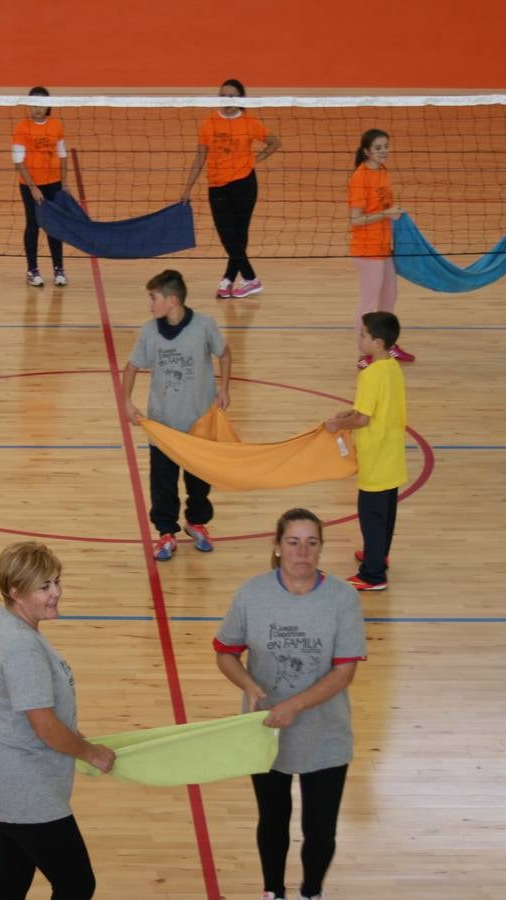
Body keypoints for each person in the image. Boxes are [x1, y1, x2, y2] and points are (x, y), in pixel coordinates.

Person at [213, 508, 367, 900]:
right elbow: (226, 652)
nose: (303, 552)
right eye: (293, 542)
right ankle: (273, 892)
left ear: (320, 548)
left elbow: (343, 673)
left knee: (320, 829)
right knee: (273, 819)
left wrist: (294, 706)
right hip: (264, 733)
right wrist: (248, 684)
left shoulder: (342, 598)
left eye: (311, 543)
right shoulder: (252, 593)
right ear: (277, 547)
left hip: (325, 735)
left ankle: (312, 892)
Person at [0, 541, 116, 900]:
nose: (56, 593)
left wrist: (74, 735)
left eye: (57, 582)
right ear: (15, 591)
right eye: (44, 587)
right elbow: (45, 727)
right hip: (24, 790)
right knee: (76, 884)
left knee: (12, 879)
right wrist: (90, 752)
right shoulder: (21, 649)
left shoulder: (0, 621)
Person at [122, 269, 231, 561]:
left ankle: (196, 523)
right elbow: (131, 367)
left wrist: (224, 389)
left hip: (199, 427)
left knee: (199, 483)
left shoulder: (205, 326)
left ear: (171, 300)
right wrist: (126, 402)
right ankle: (166, 532)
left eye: (153, 298)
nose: (150, 304)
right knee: (163, 484)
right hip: (163, 428)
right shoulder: (149, 331)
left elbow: (225, 353)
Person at [324, 311, 407, 591]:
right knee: (387, 513)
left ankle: (373, 575)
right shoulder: (393, 368)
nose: (359, 339)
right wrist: (351, 411)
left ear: (378, 342)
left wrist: (337, 423)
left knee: (371, 515)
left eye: (363, 336)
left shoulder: (370, 375)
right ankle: (378, 554)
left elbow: (363, 420)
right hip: (392, 455)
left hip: (375, 456)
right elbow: (372, 407)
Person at [179, 79, 281, 299]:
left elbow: (274, 142)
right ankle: (244, 278)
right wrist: (187, 188)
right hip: (216, 186)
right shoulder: (209, 124)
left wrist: (254, 161)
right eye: (223, 95)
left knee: (238, 235)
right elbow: (199, 157)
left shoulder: (250, 123)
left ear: (240, 99)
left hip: (244, 184)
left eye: (231, 96)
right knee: (227, 235)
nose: (226, 100)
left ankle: (233, 281)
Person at [347, 129, 412, 367]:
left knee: (389, 297)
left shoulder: (383, 172)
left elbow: (384, 205)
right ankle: (364, 353)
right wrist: (386, 213)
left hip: (384, 247)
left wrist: (393, 215)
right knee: (368, 302)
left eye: (386, 146)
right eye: (378, 148)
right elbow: (355, 219)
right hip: (367, 249)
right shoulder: (359, 178)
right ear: (366, 151)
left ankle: (387, 347)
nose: (384, 151)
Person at [12, 86, 70, 287]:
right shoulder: (22, 127)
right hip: (30, 185)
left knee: (54, 226)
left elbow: (62, 155)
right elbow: (18, 161)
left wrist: (64, 182)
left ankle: (58, 269)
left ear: (48, 107)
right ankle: (32, 270)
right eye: (34, 104)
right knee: (33, 224)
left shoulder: (56, 125)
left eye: (41, 105)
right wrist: (33, 187)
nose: (37, 108)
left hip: (53, 183)